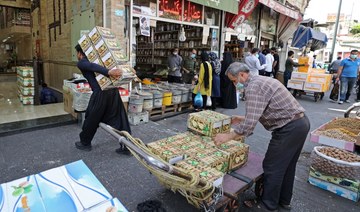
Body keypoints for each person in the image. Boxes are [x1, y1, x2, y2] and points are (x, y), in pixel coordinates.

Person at [214, 62, 310, 212]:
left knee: (272, 167)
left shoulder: (253, 87)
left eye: (234, 81)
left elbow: (249, 125)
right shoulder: (261, 80)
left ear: (242, 75)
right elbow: (262, 110)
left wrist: (227, 136)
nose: (234, 85)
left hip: (289, 128)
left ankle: (268, 206)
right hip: (300, 124)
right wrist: (243, 118)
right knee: (287, 166)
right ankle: (283, 202)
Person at [74, 44, 131, 153]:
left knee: (91, 118)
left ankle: (85, 143)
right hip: (113, 91)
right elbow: (93, 66)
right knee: (120, 118)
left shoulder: (82, 62)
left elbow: (90, 66)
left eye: (77, 53)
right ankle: (127, 146)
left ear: (80, 53)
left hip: (101, 93)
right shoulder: (100, 61)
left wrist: (108, 72)